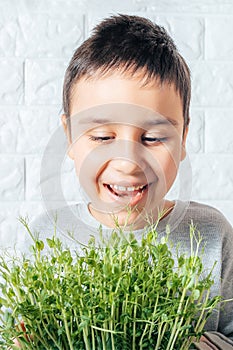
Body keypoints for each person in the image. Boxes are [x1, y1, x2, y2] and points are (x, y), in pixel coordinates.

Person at [20, 14, 233, 349]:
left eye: (151, 138)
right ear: (69, 137)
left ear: (184, 138)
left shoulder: (211, 234)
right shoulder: (47, 235)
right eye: (103, 136)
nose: (128, 162)